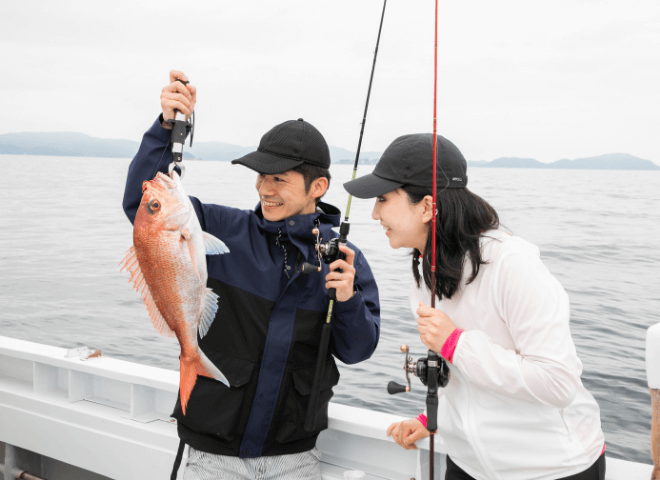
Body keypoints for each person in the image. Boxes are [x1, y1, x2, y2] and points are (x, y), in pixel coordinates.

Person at [122, 71, 380, 480]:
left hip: (294, 459)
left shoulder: (344, 260)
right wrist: (167, 126)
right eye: (261, 175)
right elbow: (145, 203)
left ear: (319, 186)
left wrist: (347, 301)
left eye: (279, 178)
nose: (265, 188)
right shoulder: (224, 230)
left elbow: (357, 350)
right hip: (212, 457)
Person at [343, 134, 606, 480]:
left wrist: (456, 343)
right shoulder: (425, 274)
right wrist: (432, 420)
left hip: (551, 469)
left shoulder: (512, 265)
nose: (375, 213)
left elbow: (557, 382)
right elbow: (464, 376)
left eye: (382, 199)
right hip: (467, 465)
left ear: (426, 207)